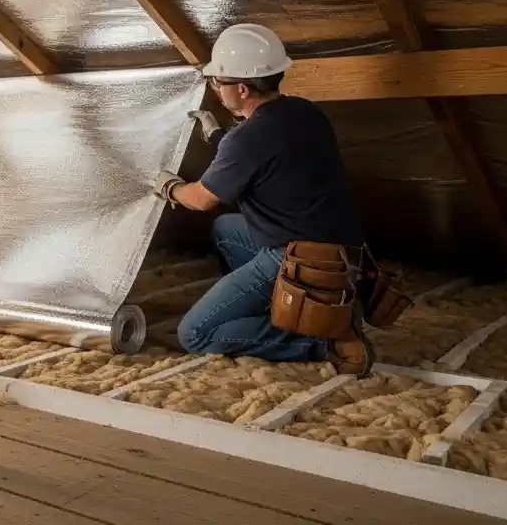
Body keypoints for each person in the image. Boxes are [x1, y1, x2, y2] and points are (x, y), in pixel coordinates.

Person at [151, 23, 374, 375]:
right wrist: (219, 136)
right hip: (344, 254)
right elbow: (267, 156)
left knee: (194, 333)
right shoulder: (304, 112)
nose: (215, 89)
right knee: (226, 228)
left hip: (297, 257)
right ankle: (287, 306)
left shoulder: (248, 139)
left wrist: (168, 187)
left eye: (217, 82)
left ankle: (324, 338)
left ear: (242, 88)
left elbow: (201, 199)